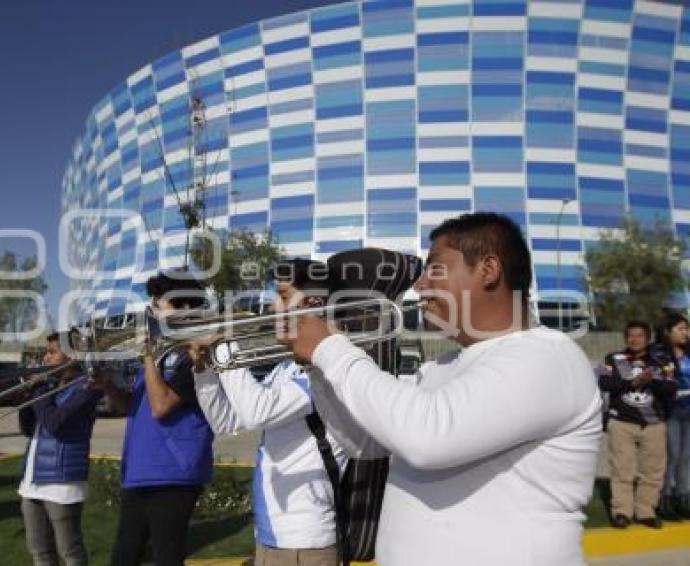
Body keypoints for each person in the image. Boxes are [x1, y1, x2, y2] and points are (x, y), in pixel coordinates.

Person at [281, 212, 603, 566]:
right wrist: (316, 366)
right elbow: (365, 443)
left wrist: (330, 347)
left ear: (488, 269)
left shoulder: (546, 355)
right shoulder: (443, 366)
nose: (419, 286)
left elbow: (427, 439)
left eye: (434, 269)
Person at [189, 259, 345, 566]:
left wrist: (224, 345)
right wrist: (204, 371)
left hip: (304, 541)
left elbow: (256, 412)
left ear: (312, 303)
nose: (273, 307)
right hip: (273, 535)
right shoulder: (288, 367)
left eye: (283, 296)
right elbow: (227, 421)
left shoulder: (325, 366)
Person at [99, 270, 214, 566]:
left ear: (187, 308)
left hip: (174, 472)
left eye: (160, 305)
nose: (152, 312)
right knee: (124, 556)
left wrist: (147, 355)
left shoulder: (197, 355)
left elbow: (161, 406)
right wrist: (107, 385)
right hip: (141, 470)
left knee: (167, 557)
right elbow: (133, 406)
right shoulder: (161, 353)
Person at [17, 331, 103, 566]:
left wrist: (38, 390)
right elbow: (28, 428)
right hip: (33, 479)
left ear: (73, 357)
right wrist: (27, 398)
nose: (46, 357)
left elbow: (54, 423)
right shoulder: (51, 387)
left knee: (70, 552)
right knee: (40, 552)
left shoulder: (87, 388)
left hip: (62, 482)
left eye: (52, 352)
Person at [599, 321, 676, 528]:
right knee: (622, 470)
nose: (635, 339)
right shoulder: (613, 359)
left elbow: (671, 389)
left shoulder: (661, 360)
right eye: (631, 336)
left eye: (639, 336)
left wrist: (651, 381)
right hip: (622, 421)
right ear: (625, 338)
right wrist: (633, 382)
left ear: (647, 338)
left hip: (653, 423)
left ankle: (646, 511)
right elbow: (604, 383)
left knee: (652, 472)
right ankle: (622, 512)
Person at [653, 313, 690, 519]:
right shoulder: (659, 354)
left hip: (689, 410)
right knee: (672, 455)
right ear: (668, 332)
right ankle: (664, 498)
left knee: (686, 458)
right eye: (681, 329)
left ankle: (682, 497)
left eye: (687, 328)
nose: (686, 333)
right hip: (671, 411)